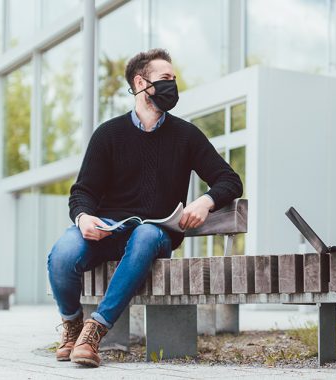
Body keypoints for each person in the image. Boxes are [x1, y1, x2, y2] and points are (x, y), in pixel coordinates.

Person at [47, 48, 243, 367]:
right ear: (141, 82)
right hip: (108, 230)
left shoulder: (186, 135)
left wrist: (206, 201)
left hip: (155, 235)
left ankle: (94, 331)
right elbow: (82, 191)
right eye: (165, 78)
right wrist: (83, 218)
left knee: (147, 234)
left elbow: (229, 180)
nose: (173, 85)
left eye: (174, 79)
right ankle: (72, 326)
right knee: (63, 254)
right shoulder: (108, 134)